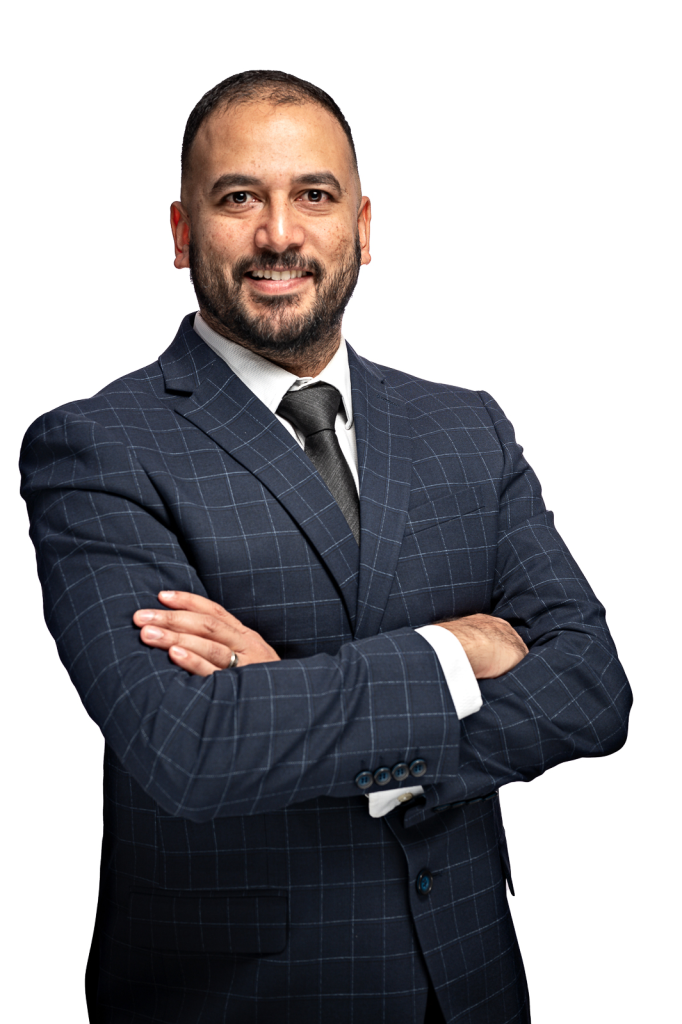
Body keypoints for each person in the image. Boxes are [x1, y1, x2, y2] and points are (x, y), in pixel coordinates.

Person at [20, 70, 632, 1024]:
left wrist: (286, 695)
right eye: (238, 199)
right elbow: (189, 745)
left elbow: (593, 688)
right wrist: (458, 651)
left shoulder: (465, 429)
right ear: (182, 233)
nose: (279, 234)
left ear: (363, 225)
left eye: (314, 194)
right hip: (236, 1001)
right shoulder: (98, 447)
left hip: (470, 989)